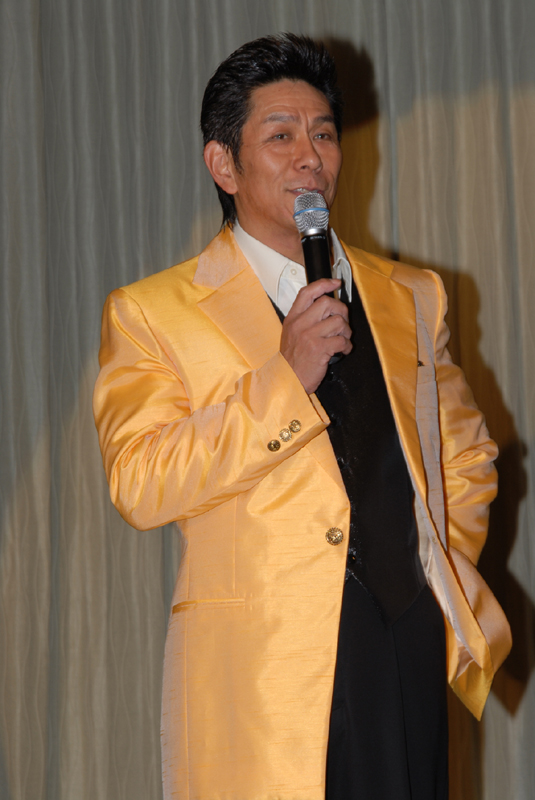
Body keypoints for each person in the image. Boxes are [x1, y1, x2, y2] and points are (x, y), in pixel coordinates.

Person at [93, 33, 511, 800]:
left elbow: (465, 457)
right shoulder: (152, 313)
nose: (309, 157)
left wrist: (429, 573)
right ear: (223, 164)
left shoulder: (411, 295)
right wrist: (284, 381)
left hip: (402, 643)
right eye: (280, 136)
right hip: (260, 672)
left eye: (322, 133)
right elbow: (141, 481)